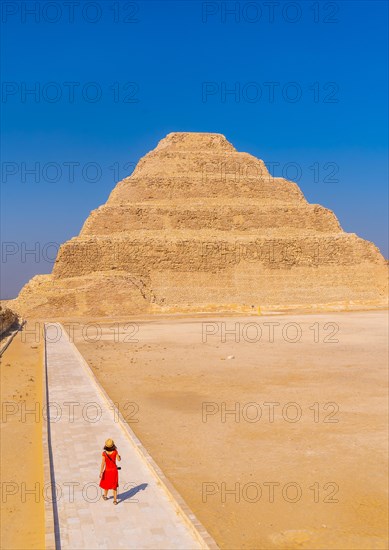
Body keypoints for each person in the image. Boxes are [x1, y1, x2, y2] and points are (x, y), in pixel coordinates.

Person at [99, 438, 121, 504]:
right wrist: (119, 456)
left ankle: (105, 496)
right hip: (114, 470)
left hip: (107, 470)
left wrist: (101, 472)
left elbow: (103, 463)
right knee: (114, 486)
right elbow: (119, 459)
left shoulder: (104, 453)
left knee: (106, 484)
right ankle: (115, 500)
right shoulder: (115, 451)